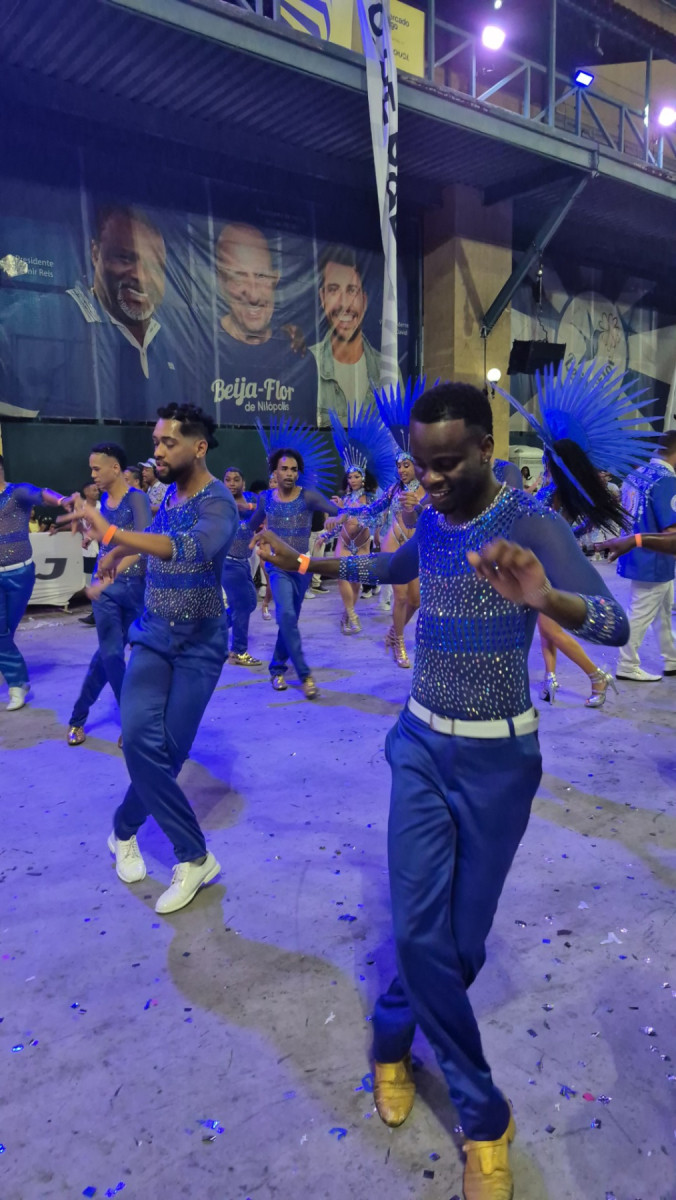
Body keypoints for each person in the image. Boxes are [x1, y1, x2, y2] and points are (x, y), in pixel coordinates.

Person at [252, 381, 629, 1200]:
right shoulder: (430, 517)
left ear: (488, 449)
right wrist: (309, 561)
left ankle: (393, 1035)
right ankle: (483, 1117)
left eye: (448, 464)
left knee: (458, 947)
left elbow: (614, 622)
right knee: (422, 933)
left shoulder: (530, 523)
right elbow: (394, 565)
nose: (429, 480)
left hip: (500, 764)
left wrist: (547, 598)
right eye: (421, 465)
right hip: (420, 746)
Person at [59, 403, 238, 915]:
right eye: (156, 441)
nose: (157, 450)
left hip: (200, 646)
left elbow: (192, 548)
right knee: (139, 739)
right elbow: (159, 542)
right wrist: (125, 554)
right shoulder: (167, 496)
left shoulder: (219, 502)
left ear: (198, 447)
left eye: (167, 442)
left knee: (170, 754)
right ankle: (194, 855)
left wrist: (113, 536)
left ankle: (123, 830)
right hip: (154, 634)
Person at [247, 421, 342, 699]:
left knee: (290, 621)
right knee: (286, 615)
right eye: (284, 468)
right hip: (277, 567)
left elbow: (337, 511)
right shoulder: (266, 499)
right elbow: (250, 525)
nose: (289, 473)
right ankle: (304, 674)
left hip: (302, 566)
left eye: (293, 469)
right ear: (274, 472)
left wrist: (338, 516)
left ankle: (277, 668)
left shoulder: (308, 497)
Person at [67, 205, 186, 420]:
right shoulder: (44, 321)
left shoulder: (171, 342)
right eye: (125, 259)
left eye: (155, 266)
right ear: (95, 254)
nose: (142, 276)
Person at [67, 443, 151, 746]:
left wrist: (113, 561)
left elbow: (144, 545)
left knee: (105, 657)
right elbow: (110, 535)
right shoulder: (104, 499)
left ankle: (78, 716)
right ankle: (130, 720)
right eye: (91, 469)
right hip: (105, 589)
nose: (92, 475)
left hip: (135, 589)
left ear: (115, 468)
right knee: (113, 654)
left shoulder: (137, 499)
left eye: (96, 468)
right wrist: (91, 534)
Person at [211, 223, 317, 424]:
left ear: (275, 279)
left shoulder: (299, 357)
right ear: (221, 281)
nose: (253, 294)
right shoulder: (199, 353)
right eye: (238, 277)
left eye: (261, 276)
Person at [0, 454, 71, 709]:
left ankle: (16, 677)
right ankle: (17, 684)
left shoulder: (16, 492)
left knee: (6, 631)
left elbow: (40, 494)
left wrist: (62, 500)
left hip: (20, 574)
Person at [323, 405, 395, 635]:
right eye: (349, 477)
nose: (352, 480)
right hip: (344, 543)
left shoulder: (372, 498)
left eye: (356, 476)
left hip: (362, 544)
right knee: (343, 577)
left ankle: (348, 613)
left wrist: (367, 523)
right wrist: (328, 532)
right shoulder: (344, 498)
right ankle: (352, 615)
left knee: (355, 583)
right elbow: (340, 521)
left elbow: (378, 518)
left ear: (363, 477)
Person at [612, 430, 676, 682]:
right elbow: (671, 528)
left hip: (634, 553)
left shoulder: (636, 475)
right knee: (640, 613)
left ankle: (671, 658)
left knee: (662, 611)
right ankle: (627, 664)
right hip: (654, 558)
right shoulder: (666, 480)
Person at [311, 245, 388, 428]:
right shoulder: (308, 363)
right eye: (334, 290)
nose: (344, 303)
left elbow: (398, 437)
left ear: (364, 300)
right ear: (322, 298)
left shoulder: (387, 370)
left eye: (352, 290)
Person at [221, 466, 263, 667]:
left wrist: (253, 506)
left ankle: (212, 630)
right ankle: (238, 651)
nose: (232, 483)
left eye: (236, 479)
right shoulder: (221, 501)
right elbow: (241, 509)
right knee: (241, 606)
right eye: (228, 479)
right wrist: (251, 508)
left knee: (250, 603)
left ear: (243, 483)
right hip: (228, 562)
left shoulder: (250, 497)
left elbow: (263, 508)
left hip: (245, 561)